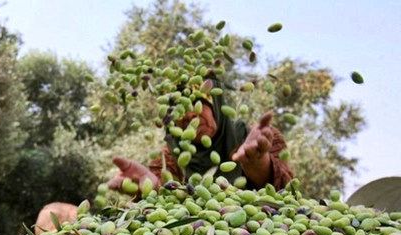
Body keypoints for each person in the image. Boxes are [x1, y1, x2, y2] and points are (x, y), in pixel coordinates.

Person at [108, 77, 293, 193]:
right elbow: (160, 197)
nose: (189, 114)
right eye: (179, 109)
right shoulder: (168, 158)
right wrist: (153, 189)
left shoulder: (259, 139)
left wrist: (259, 163)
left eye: (198, 103)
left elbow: (287, 193)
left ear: (217, 107)